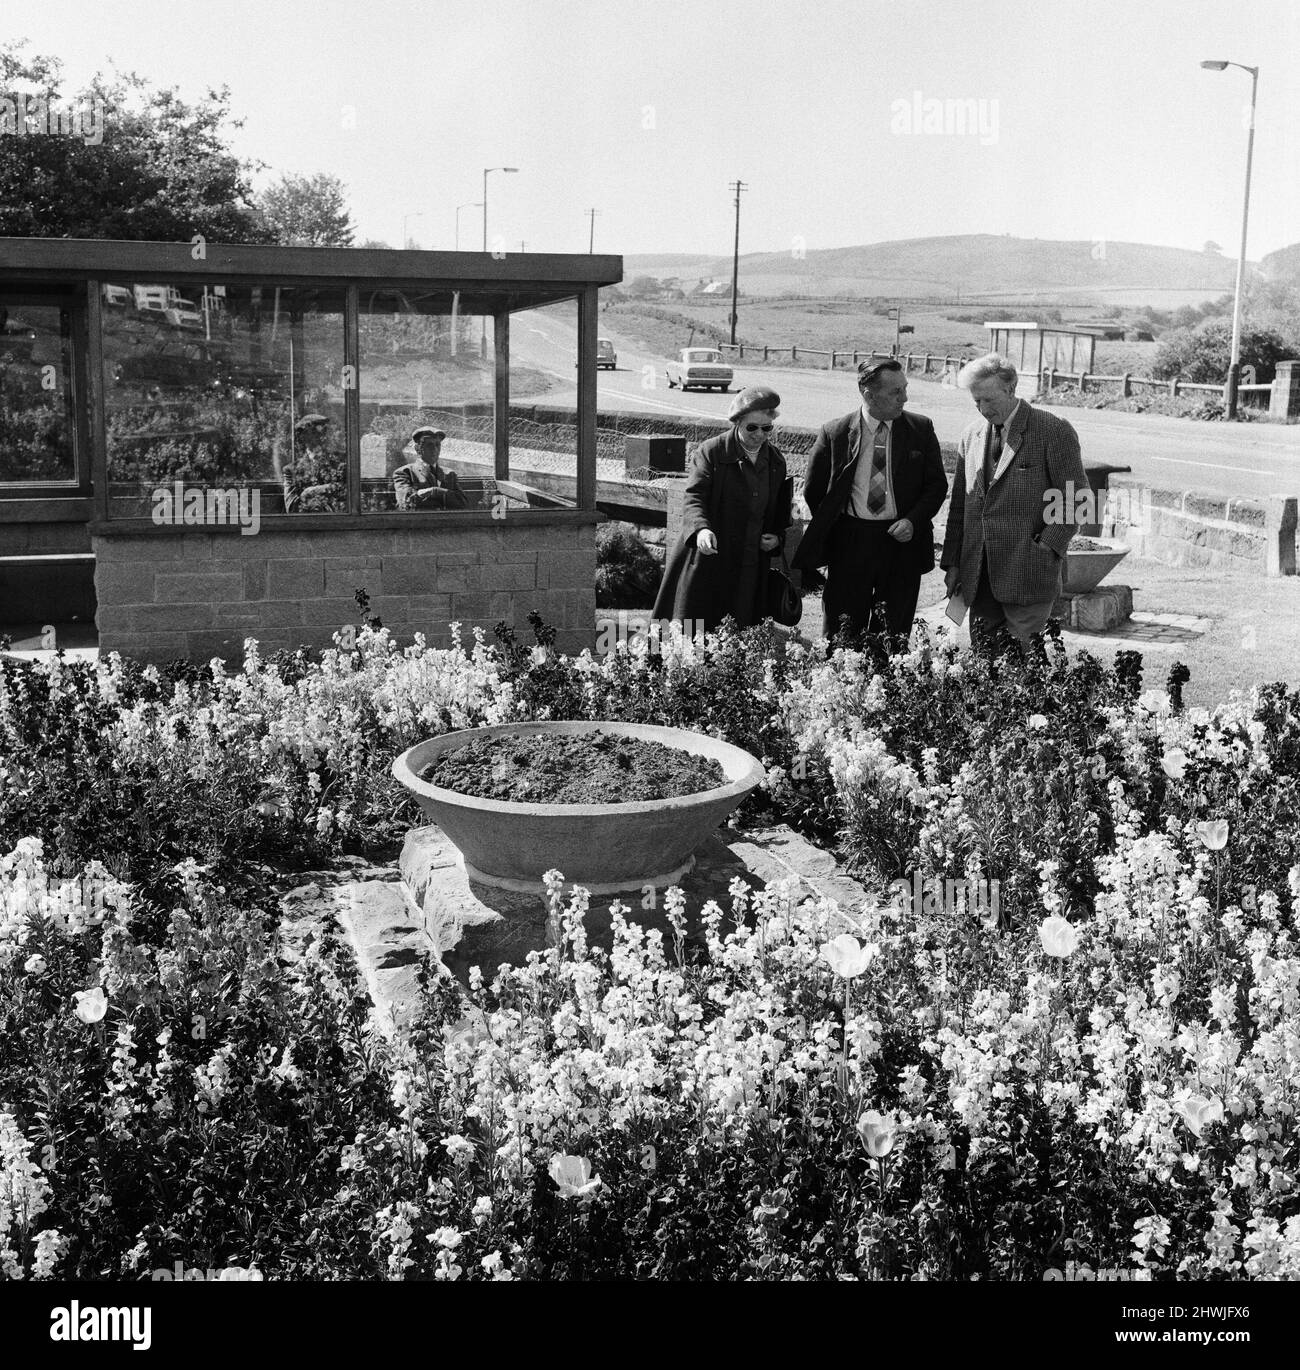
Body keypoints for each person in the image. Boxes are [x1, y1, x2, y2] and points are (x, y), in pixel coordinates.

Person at [792, 358, 947, 643]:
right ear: (868, 394)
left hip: (901, 544)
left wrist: (913, 520)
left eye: (905, 388)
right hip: (851, 542)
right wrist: (839, 529)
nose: (905, 397)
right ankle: (841, 683)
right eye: (896, 392)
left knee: (893, 633)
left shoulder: (920, 429)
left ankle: (885, 683)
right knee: (842, 629)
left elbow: (936, 485)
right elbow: (815, 491)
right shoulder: (835, 432)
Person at [940, 352, 1089, 646]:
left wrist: (1046, 546)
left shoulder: (1052, 429)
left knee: (1022, 670)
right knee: (984, 670)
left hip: (1029, 574)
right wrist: (953, 564)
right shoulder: (971, 435)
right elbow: (959, 506)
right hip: (978, 577)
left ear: (1010, 389)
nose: (982, 409)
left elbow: (1079, 499)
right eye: (976, 401)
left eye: (988, 400)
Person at [652, 385, 792, 634]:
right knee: (694, 630)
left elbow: (779, 512)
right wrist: (701, 529)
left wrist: (776, 537)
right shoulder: (711, 452)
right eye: (752, 427)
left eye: (767, 428)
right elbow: (694, 495)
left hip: (750, 562)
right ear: (737, 423)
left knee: (741, 629)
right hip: (711, 557)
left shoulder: (776, 461)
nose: (759, 434)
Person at [280, 413, 346, 513]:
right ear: (303, 437)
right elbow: (292, 508)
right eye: (313, 433)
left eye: (323, 432)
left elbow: (348, 490)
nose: (321, 437)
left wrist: (312, 491)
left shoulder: (339, 462)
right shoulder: (291, 470)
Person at [392, 427, 469, 510]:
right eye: (429, 445)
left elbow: (463, 503)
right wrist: (432, 492)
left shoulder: (449, 474)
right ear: (417, 449)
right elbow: (405, 502)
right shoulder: (405, 472)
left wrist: (437, 492)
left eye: (437, 445)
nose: (435, 449)